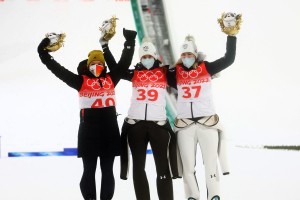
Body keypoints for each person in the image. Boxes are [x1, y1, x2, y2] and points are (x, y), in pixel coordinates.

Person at [37, 28, 137, 200]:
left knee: (107, 171)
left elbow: (124, 62)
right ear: (88, 65)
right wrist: (43, 52)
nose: (96, 67)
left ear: (104, 66)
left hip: (109, 131)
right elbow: (57, 69)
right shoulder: (80, 81)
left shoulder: (111, 79)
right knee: (89, 170)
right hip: (89, 132)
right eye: (92, 64)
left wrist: (129, 43)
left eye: (99, 64)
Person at [166, 23, 238, 200]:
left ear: (195, 54)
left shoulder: (207, 68)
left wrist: (231, 36)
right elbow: (155, 75)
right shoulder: (175, 74)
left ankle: (214, 195)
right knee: (188, 166)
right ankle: (193, 196)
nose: (186, 57)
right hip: (185, 125)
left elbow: (228, 59)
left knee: (210, 163)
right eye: (183, 54)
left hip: (207, 122)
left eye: (189, 54)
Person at [103, 37, 179, 200]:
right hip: (136, 126)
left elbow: (185, 78)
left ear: (155, 56)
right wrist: (105, 47)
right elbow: (116, 68)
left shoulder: (164, 73)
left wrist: (202, 66)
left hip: (158, 125)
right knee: (138, 168)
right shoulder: (134, 73)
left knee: (162, 167)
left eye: (149, 56)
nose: (147, 59)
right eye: (143, 57)